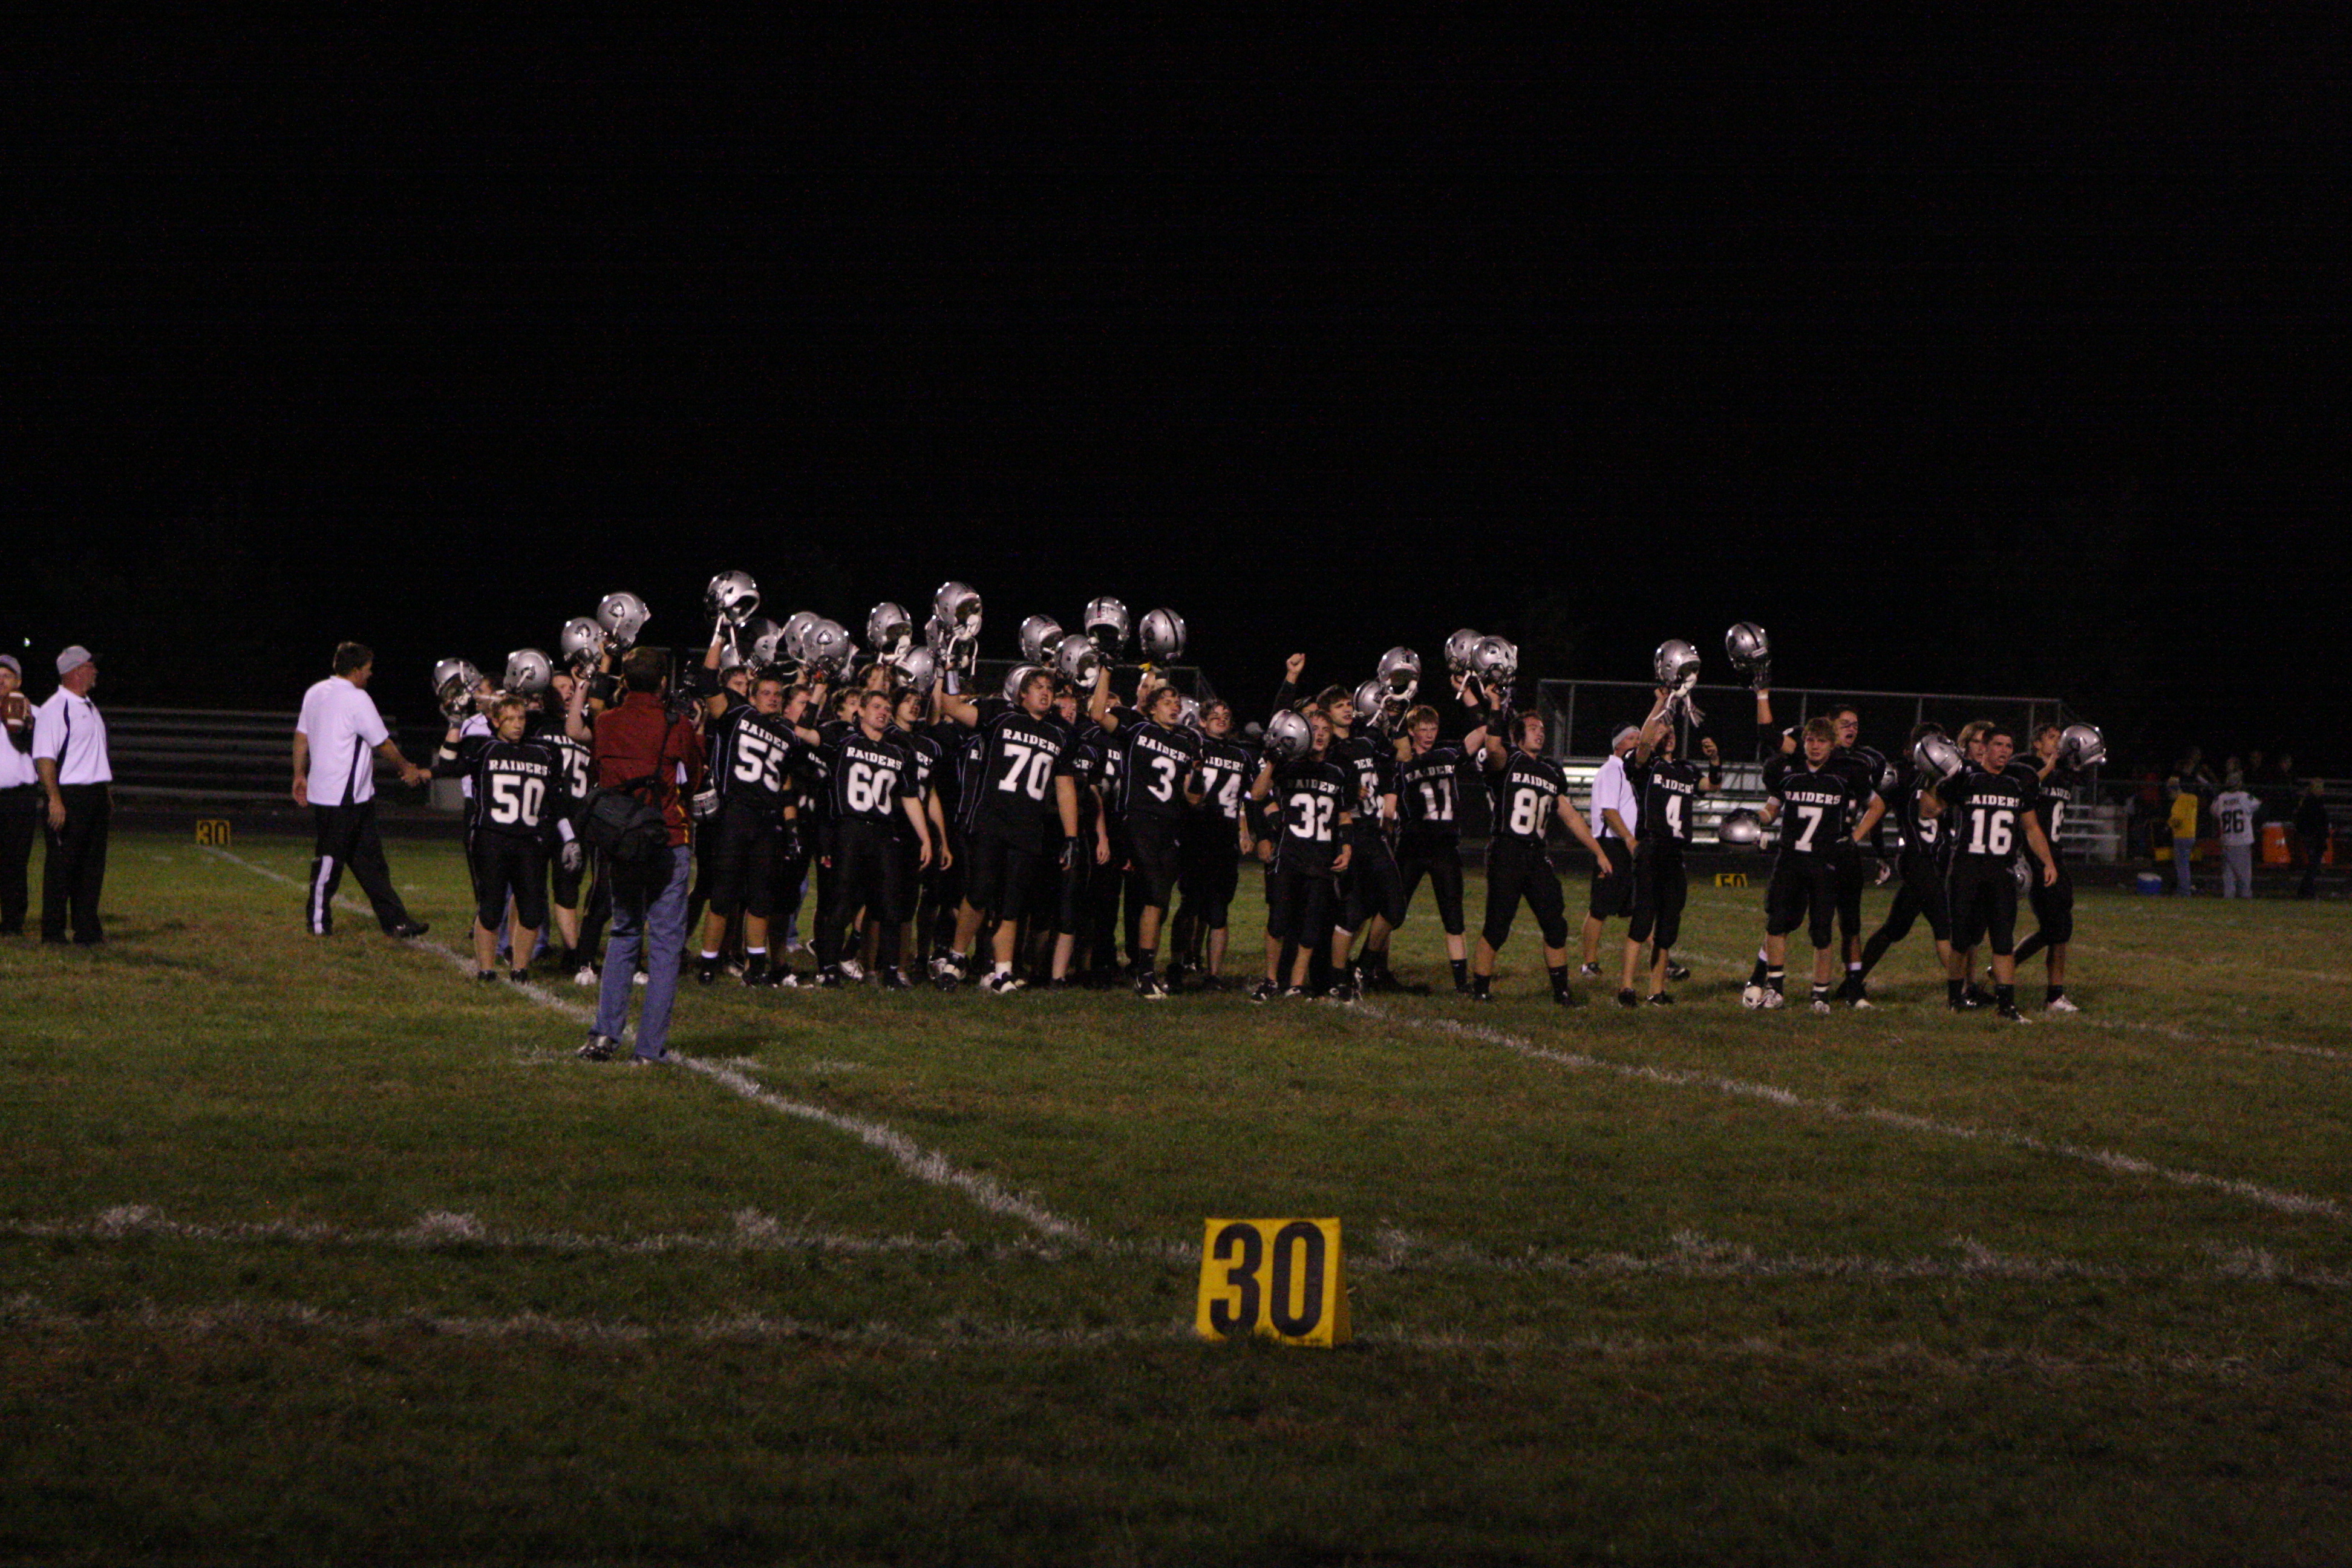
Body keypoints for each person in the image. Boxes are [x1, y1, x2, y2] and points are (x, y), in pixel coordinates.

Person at [580, 646, 704, 1064]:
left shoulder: (607, 722)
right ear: (664, 683)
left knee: (624, 931)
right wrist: (694, 730)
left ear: (626, 681)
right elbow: (694, 779)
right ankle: (649, 1050)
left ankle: (604, 1035)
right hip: (667, 837)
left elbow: (599, 772)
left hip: (623, 840)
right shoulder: (677, 724)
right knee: (666, 945)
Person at [1470, 704, 1613, 1005]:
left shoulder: (1551, 771)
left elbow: (1570, 816)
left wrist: (1599, 852)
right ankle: (1480, 989)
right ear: (1518, 735)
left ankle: (1562, 992)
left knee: (1555, 924)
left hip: (1536, 855)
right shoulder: (1508, 759)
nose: (1540, 733)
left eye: (1543, 729)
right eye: (1534, 728)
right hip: (1507, 850)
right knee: (1497, 926)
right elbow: (1493, 748)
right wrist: (1495, 708)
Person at [1744, 716, 1887, 1013]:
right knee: (1776, 923)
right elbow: (1772, 809)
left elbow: (1877, 805)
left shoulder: (1845, 772)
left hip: (1825, 861)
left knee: (1822, 932)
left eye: (1822, 741)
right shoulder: (1789, 770)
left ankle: (1820, 995)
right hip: (1790, 858)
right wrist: (1756, 818)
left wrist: (1855, 837)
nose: (1815, 746)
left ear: (1831, 745)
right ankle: (1775, 989)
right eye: (1810, 740)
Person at [293, 642, 433, 940]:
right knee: (329, 862)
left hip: (350, 796)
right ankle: (317, 922)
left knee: (371, 864)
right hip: (342, 796)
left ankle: (396, 922)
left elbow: (302, 736)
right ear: (356, 671)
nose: (371, 674)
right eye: (368, 669)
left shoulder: (315, 692)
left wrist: (299, 774)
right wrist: (406, 768)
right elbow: (382, 743)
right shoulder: (357, 698)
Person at [432, 693, 574, 980]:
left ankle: (520, 969)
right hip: (492, 838)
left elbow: (557, 799)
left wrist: (569, 838)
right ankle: (486, 970)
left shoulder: (545, 751)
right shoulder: (483, 747)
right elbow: (447, 767)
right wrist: (455, 724)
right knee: (491, 909)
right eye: (510, 719)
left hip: (530, 841)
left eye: (521, 718)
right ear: (496, 721)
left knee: (532, 912)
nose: (518, 724)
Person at [1927, 722, 2057, 1022]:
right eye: (1998, 745)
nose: (2004, 751)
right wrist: (1933, 777)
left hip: (2001, 871)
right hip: (1967, 869)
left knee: (2003, 941)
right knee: (1961, 940)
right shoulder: (1966, 777)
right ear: (1984, 748)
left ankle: (2007, 1006)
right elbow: (1931, 808)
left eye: (2009, 746)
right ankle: (1955, 997)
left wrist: (2048, 862)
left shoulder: (2018, 781)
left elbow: (2032, 828)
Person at [1618, 688, 1719, 1006]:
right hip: (1651, 848)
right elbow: (1644, 745)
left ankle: (1657, 990)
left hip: (1675, 855)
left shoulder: (1686, 770)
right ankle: (1626, 987)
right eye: (1664, 730)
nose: (1669, 734)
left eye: (1672, 730)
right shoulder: (1645, 765)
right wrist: (1660, 704)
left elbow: (1712, 785)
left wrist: (1715, 760)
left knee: (1667, 927)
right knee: (1642, 922)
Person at [33, 647, 116, 945]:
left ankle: (87, 930)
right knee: (62, 867)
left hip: (94, 795)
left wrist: (104, 793)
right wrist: (55, 799)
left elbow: (93, 754)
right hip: (70, 795)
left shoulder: (89, 706)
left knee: (91, 867)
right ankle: (53, 932)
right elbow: (45, 758)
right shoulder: (55, 708)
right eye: (91, 666)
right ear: (77, 671)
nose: (95, 671)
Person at [1576, 725, 1641, 978]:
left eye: (1639, 738)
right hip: (1613, 845)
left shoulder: (1631, 771)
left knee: (1639, 907)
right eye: (1632, 738)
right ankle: (1589, 963)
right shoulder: (1612, 770)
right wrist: (1628, 839)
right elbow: (1609, 811)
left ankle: (1664, 960)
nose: (1637, 743)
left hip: (1627, 845)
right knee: (1600, 907)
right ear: (1619, 744)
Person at [0, 655, 39, 935]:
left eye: (7, 676)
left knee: (14, 862)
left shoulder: (34, 711)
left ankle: (12, 924)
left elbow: (46, 753)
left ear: (19, 681)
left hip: (19, 797)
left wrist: (28, 726)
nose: (1, 681)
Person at [2213, 778, 2259, 899]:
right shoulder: (2245, 796)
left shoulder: (2221, 798)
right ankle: (2245, 896)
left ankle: (2229, 897)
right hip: (2242, 840)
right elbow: (2257, 805)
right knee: (2244, 874)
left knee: (2228, 874)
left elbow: (2213, 811)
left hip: (2227, 840)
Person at [2295, 778, 2331, 900]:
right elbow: (2316, 822)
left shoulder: (2310, 802)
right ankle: (2307, 891)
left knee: (2313, 867)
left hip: (2314, 838)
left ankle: (2305, 890)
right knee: (2313, 867)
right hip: (2315, 839)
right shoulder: (2313, 803)